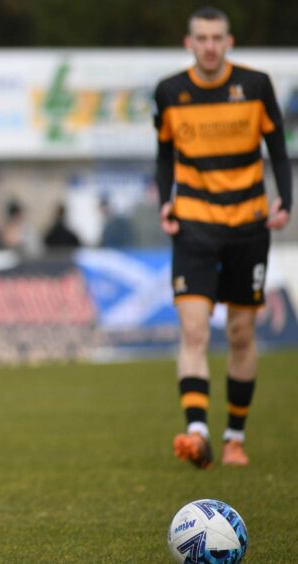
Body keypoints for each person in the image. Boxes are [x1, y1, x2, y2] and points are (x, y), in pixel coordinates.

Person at [154, 7, 292, 469]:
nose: (209, 45)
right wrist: (164, 201)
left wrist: (286, 201)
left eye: (217, 38)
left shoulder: (255, 85)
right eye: (202, 38)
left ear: (228, 41)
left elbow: (277, 149)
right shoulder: (170, 91)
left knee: (240, 332)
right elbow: (164, 154)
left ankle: (234, 436)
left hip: (249, 224)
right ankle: (196, 432)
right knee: (193, 330)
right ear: (188, 43)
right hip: (194, 223)